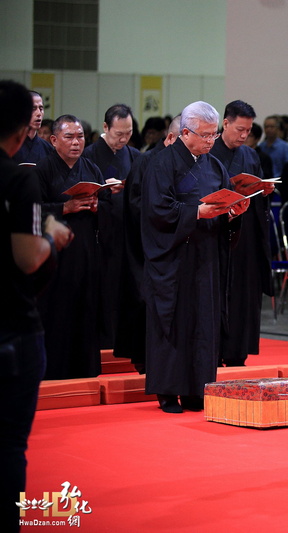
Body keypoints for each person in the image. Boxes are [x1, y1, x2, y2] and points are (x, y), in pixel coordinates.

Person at [141, 101, 250, 414]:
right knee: (173, 322)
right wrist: (195, 213)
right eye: (204, 135)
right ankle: (167, 391)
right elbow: (156, 210)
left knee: (203, 321)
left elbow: (224, 201)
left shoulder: (215, 166)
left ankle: (195, 390)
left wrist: (233, 213)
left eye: (213, 135)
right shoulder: (162, 164)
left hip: (205, 257)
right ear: (184, 132)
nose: (209, 141)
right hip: (172, 257)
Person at [0, 79, 72, 533]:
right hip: (10, 327)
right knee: (8, 445)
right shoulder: (18, 176)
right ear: (26, 127)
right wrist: (52, 235)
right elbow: (27, 257)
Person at [37, 115, 117, 380]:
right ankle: (53, 373)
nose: (76, 142)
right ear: (54, 140)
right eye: (69, 137)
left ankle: (85, 372)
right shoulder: (43, 169)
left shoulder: (91, 168)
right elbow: (31, 211)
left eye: (80, 136)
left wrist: (97, 207)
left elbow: (108, 206)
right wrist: (64, 207)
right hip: (54, 256)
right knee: (56, 314)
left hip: (86, 253)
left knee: (86, 311)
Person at [114, 116, 182, 372]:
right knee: (145, 302)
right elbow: (136, 205)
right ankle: (145, 361)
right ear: (172, 137)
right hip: (147, 247)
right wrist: (171, 215)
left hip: (176, 246)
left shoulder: (186, 162)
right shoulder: (146, 161)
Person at [210, 100, 274, 367]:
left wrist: (263, 191)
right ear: (225, 123)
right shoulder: (208, 151)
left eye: (248, 130)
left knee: (243, 295)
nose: (244, 135)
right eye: (239, 129)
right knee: (217, 293)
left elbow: (258, 199)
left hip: (245, 236)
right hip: (216, 234)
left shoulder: (250, 156)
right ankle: (213, 350)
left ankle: (237, 352)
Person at [83, 104, 140, 349]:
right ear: (105, 127)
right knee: (104, 290)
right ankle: (103, 342)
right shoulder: (88, 155)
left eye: (128, 133)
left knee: (128, 290)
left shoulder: (135, 155)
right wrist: (103, 188)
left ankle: (125, 342)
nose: (124, 139)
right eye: (119, 134)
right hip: (101, 233)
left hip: (127, 232)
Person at [12, 91, 55, 165]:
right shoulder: (7, 146)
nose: (39, 113)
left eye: (41, 109)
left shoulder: (48, 148)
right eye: (33, 109)